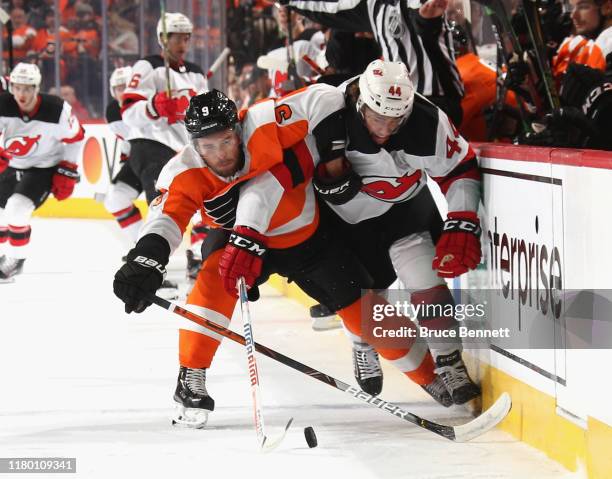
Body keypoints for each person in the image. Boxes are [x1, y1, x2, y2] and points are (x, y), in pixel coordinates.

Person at [113, 87, 451, 428]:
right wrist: (146, 259)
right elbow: (166, 220)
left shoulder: (266, 122)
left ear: (238, 128)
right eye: (208, 146)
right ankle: (191, 376)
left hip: (306, 240)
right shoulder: (182, 172)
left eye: (227, 140)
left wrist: (330, 150)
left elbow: (329, 98)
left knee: (363, 309)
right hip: (235, 242)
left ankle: (429, 376)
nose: (220, 154)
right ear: (194, 144)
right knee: (214, 277)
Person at [311, 60, 482, 405]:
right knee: (362, 297)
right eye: (378, 119)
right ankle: (362, 343)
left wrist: (463, 219)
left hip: (405, 211)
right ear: (361, 103)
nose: (386, 130)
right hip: (349, 222)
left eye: (395, 120)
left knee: (425, 278)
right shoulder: (327, 115)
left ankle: (449, 361)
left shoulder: (426, 120)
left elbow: (460, 166)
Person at [281, 0, 465, 125]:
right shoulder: (373, 5)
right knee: (329, 90)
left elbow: (428, 21)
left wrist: (427, 22)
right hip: (400, 105)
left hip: (438, 100)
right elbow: (330, 9)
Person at [0, 63, 84, 281]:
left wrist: (68, 168)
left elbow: (76, 138)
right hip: (12, 164)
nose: (22, 93)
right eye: (18, 87)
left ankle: (16, 260)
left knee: (17, 210)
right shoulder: (2, 105)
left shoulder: (56, 109)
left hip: (43, 167)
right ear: (11, 87)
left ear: (37, 88)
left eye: (27, 88)